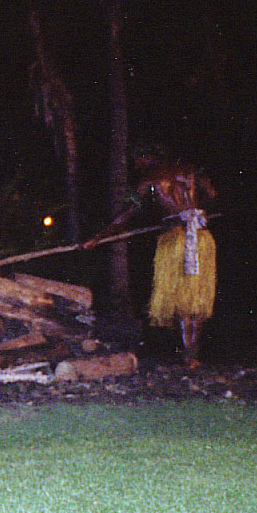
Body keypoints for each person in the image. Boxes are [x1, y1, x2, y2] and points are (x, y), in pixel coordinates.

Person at [84, 150, 217, 366]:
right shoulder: (189, 170)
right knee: (195, 297)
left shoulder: (149, 179)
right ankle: (191, 354)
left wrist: (98, 237)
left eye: (136, 160)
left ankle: (190, 353)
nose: (135, 166)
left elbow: (126, 214)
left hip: (175, 240)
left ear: (147, 156)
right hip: (202, 237)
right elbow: (211, 193)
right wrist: (194, 212)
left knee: (185, 300)